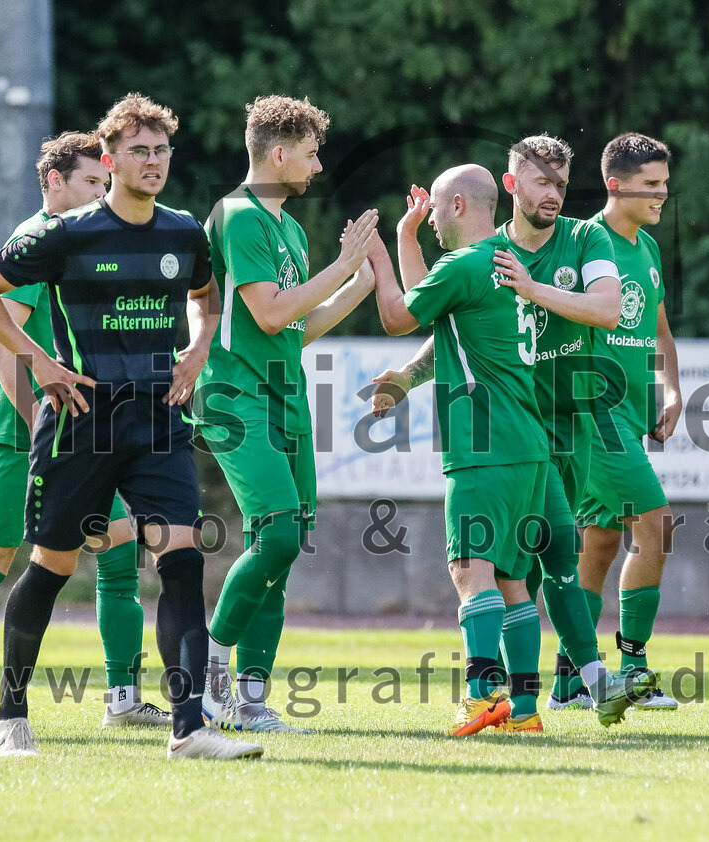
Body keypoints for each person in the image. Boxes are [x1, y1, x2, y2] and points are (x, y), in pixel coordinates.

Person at [0, 93, 262, 760]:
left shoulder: (184, 231)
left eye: (160, 152)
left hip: (158, 420)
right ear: (109, 158)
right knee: (50, 567)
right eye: (138, 152)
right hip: (80, 424)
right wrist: (41, 363)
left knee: (182, 561)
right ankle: (10, 712)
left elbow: (206, 298)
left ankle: (189, 727)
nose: (152, 162)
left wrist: (198, 349)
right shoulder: (65, 234)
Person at [375, 137, 659, 730]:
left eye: (561, 183)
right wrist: (408, 376)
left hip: (551, 425)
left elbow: (607, 309)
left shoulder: (583, 238)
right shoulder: (491, 254)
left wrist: (529, 287)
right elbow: (449, 324)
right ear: (511, 186)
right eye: (542, 182)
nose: (554, 193)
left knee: (507, 567)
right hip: (530, 425)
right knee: (524, 574)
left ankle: (504, 694)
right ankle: (548, 697)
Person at [0, 132, 167, 732]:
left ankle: (124, 700)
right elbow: (10, 355)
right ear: (53, 182)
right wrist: (41, 433)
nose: (99, 192)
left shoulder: (82, 240)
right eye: (88, 182)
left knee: (116, 555)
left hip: (86, 431)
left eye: (101, 182)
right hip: (25, 435)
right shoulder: (36, 243)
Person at [195, 95, 378, 734]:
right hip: (235, 398)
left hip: (284, 395)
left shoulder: (291, 229)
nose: (318, 166)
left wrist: (356, 283)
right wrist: (343, 265)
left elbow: (294, 328)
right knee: (274, 533)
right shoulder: (239, 216)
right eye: (310, 152)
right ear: (279, 154)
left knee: (284, 542)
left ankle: (248, 698)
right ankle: (207, 671)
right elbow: (269, 313)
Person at [551, 132, 682, 711]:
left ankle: (568, 683)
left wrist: (671, 390)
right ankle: (632, 666)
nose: (662, 194)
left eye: (664, 183)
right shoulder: (583, 240)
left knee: (600, 545)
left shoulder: (647, 249)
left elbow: (659, 332)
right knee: (657, 524)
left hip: (628, 420)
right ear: (615, 184)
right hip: (591, 414)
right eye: (651, 185)